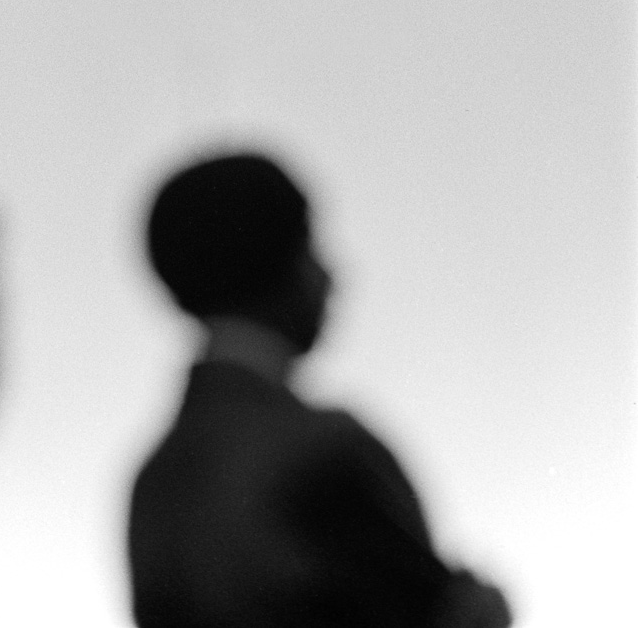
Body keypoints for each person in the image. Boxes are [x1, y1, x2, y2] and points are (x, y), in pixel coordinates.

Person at [128, 152, 512, 628]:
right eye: (310, 249)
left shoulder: (154, 483)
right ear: (276, 261)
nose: (329, 278)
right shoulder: (325, 448)